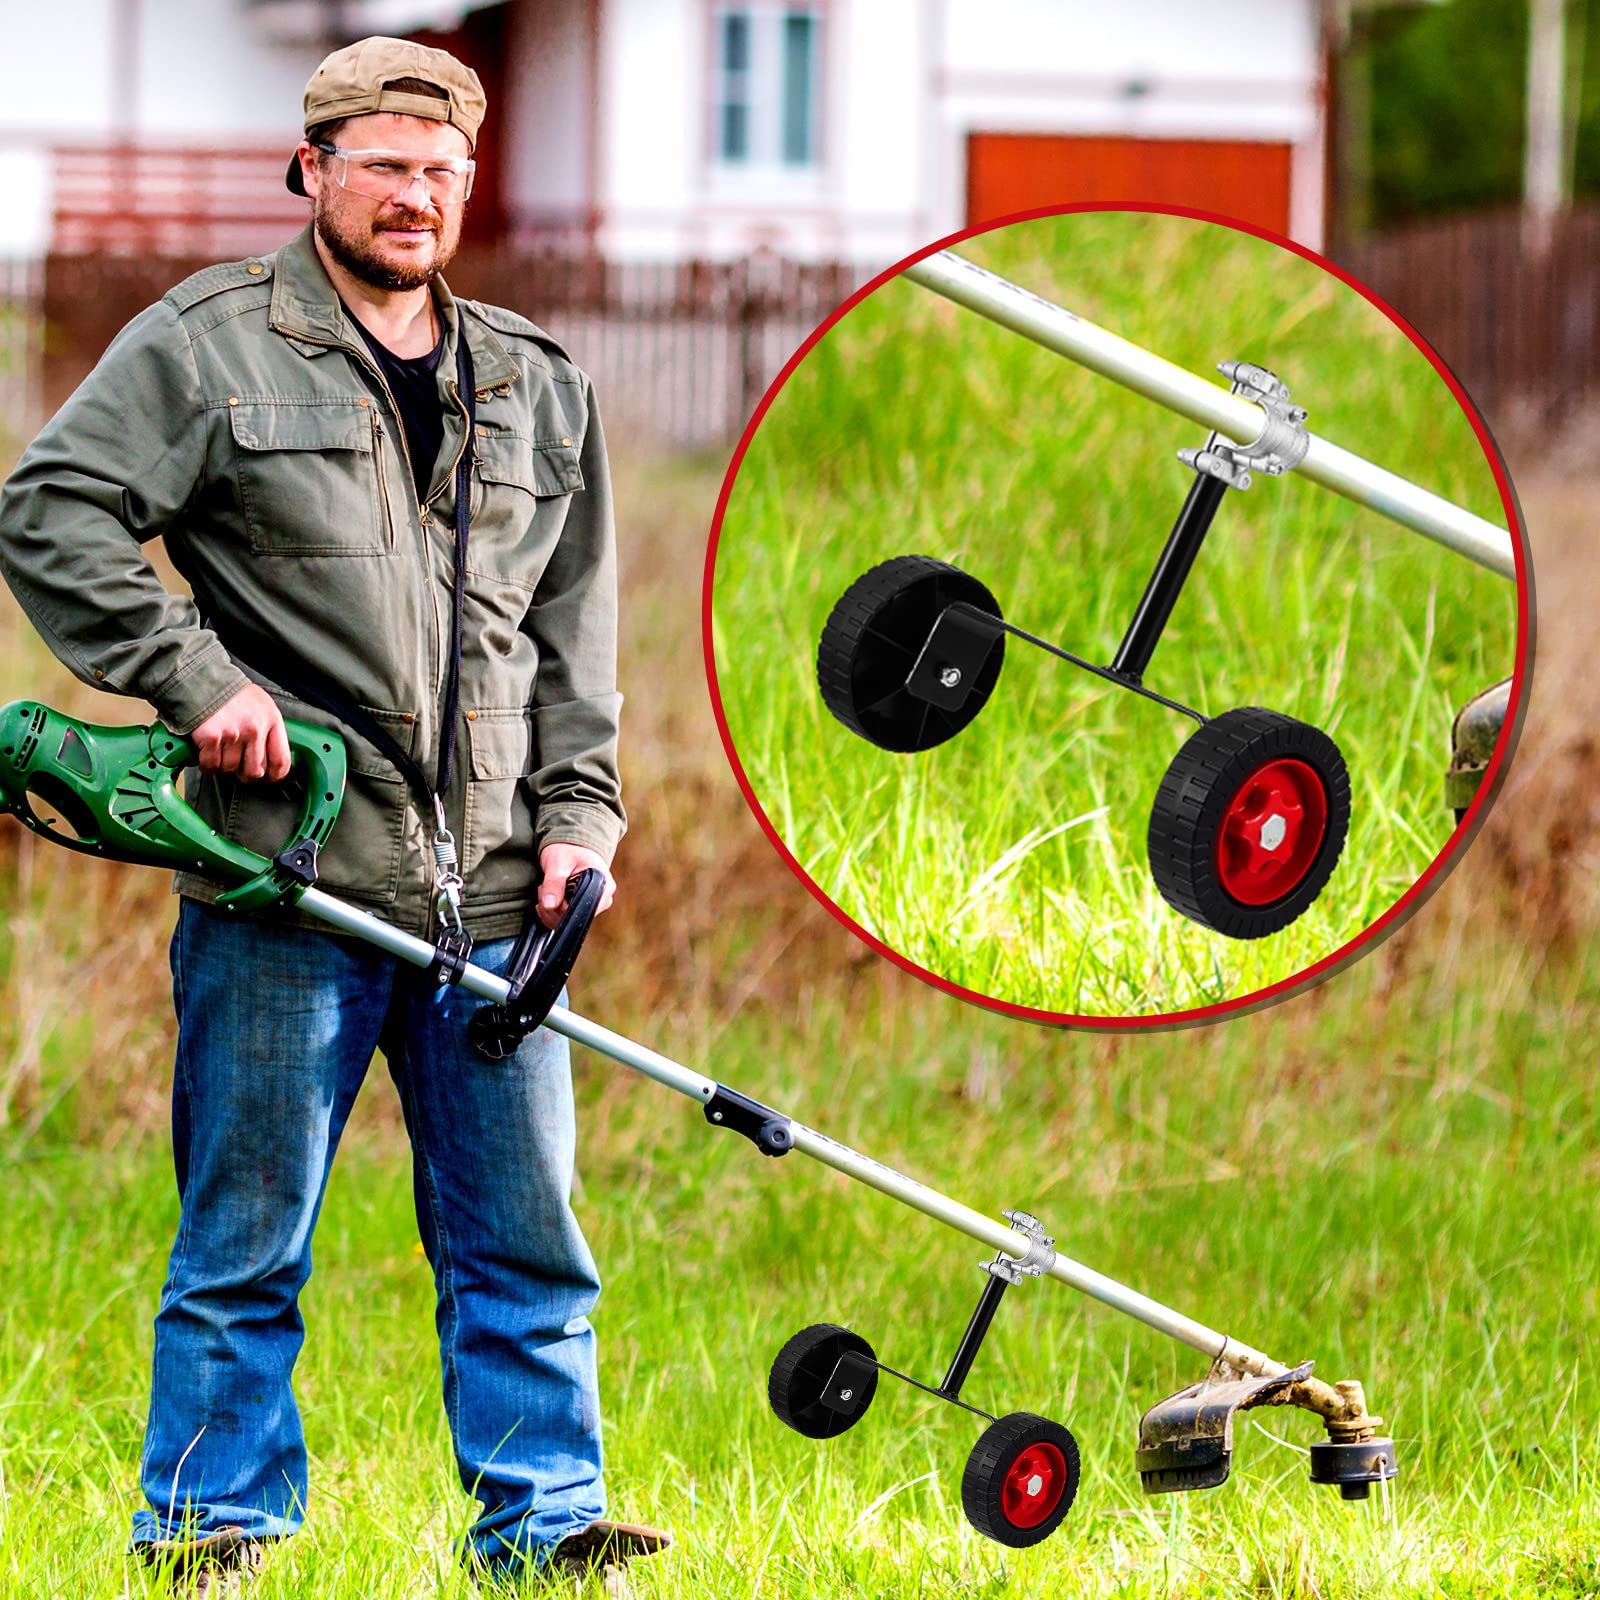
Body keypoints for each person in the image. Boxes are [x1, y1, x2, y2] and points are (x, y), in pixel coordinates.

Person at [0, 35, 668, 1596]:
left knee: (528, 1243)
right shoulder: (210, 347)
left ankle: (547, 1523)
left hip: (500, 898)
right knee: (244, 1245)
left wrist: (582, 820)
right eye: (382, 166)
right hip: (285, 885)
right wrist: (194, 681)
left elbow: (574, 642)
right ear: (312, 171)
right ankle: (210, 1532)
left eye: (441, 170)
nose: (414, 195)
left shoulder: (535, 382)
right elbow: (51, 509)